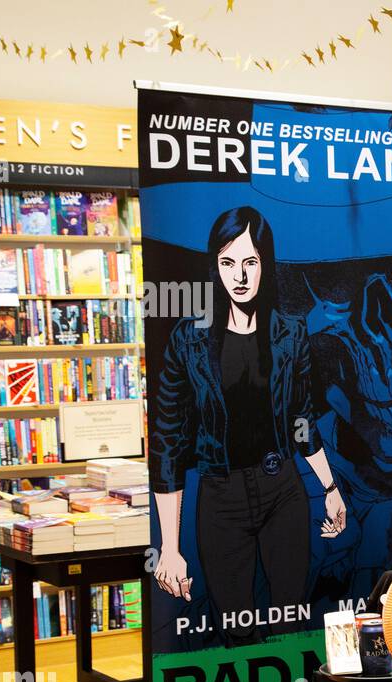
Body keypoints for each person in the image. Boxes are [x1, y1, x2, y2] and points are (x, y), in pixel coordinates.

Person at [150, 206, 346, 645]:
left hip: (283, 493)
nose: (239, 275)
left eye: (251, 262)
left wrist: (330, 489)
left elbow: (300, 421)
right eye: (228, 262)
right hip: (220, 500)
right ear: (215, 267)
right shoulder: (189, 339)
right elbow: (168, 442)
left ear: (265, 264)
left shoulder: (289, 333)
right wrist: (169, 546)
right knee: (236, 632)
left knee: (291, 625)